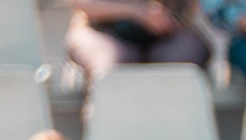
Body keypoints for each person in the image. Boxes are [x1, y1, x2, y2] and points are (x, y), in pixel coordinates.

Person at [65, 1, 210, 82]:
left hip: (169, 32)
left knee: (180, 67)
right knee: (112, 72)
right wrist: (137, 12)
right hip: (100, 30)